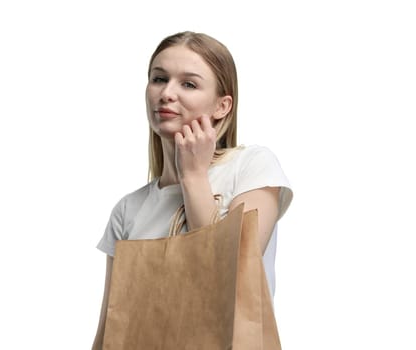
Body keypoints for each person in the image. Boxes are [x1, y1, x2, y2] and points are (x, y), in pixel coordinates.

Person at [91, 31, 293, 348]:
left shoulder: (252, 167)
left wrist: (194, 176)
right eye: (159, 78)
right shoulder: (128, 209)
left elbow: (235, 278)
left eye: (188, 84)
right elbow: (111, 326)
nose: (167, 93)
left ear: (222, 106)